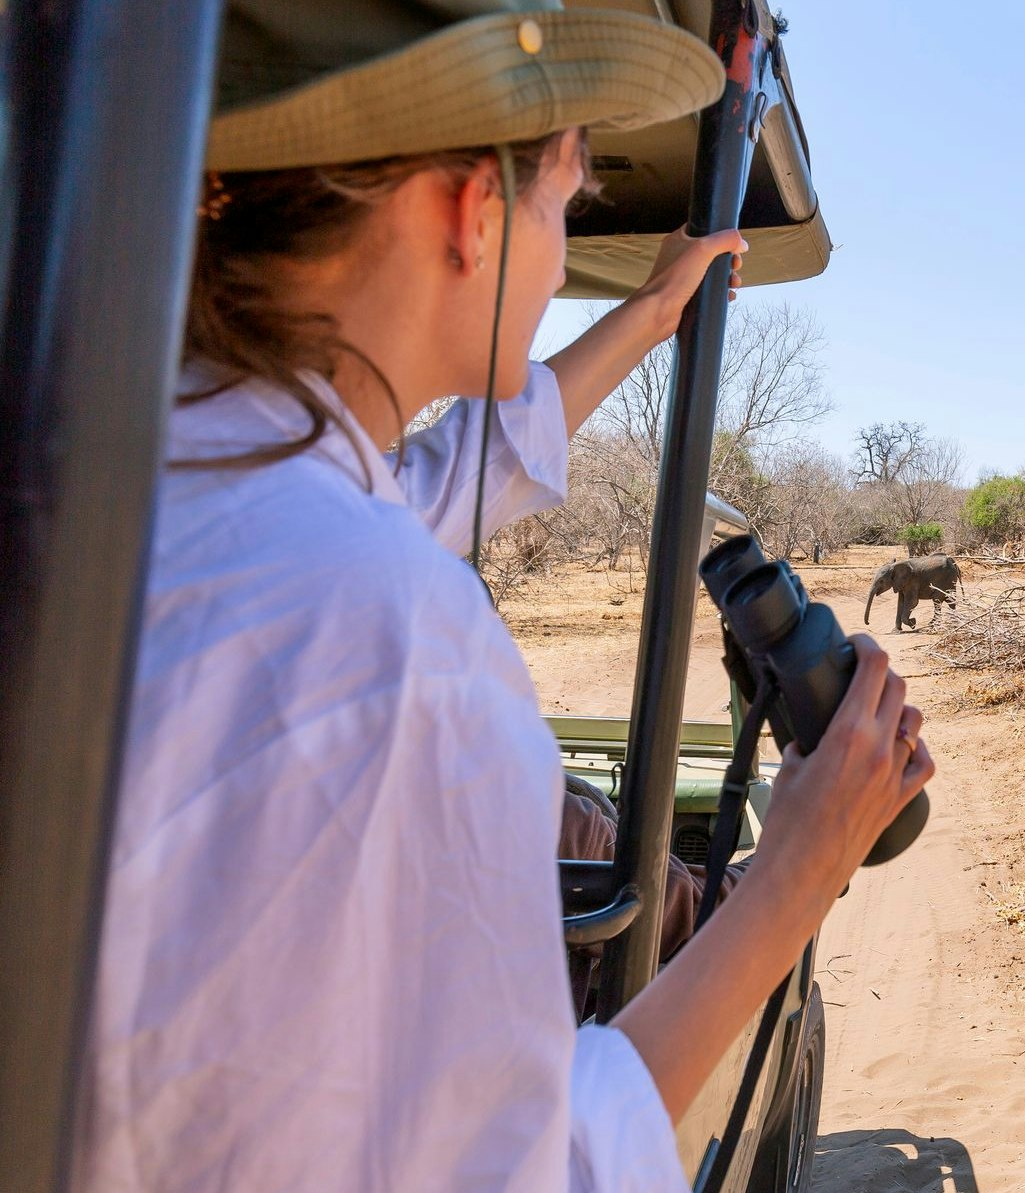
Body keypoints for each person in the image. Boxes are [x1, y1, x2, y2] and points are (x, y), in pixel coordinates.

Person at [81, 3, 932, 1191]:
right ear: (470, 210)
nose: (564, 234)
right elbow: (542, 1165)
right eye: (562, 196)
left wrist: (645, 313)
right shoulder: (386, 636)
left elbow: (437, 481)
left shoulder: (136, 480)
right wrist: (797, 868)